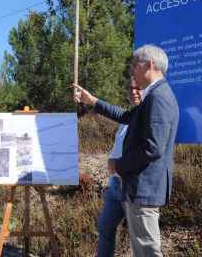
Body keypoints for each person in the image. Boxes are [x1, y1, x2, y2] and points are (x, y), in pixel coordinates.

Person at [74, 44, 178, 257]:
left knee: (147, 251)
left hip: (144, 188)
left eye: (135, 65)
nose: (132, 71)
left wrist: (118, 165)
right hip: (139, 187)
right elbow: (126, 116)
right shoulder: (154, 95)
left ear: (149, 65)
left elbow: (153, 148)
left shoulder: (158, 98)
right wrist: (93, 101)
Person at [96, 78, 142, 257]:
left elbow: (147, 152)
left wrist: (117, 165)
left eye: (138, 88)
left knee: (139, 238)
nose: (133, 92)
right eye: (130, 88)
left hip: (133, 187)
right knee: (105, 227)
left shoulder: (148, 117)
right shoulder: (127, 117)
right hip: (115, 185)